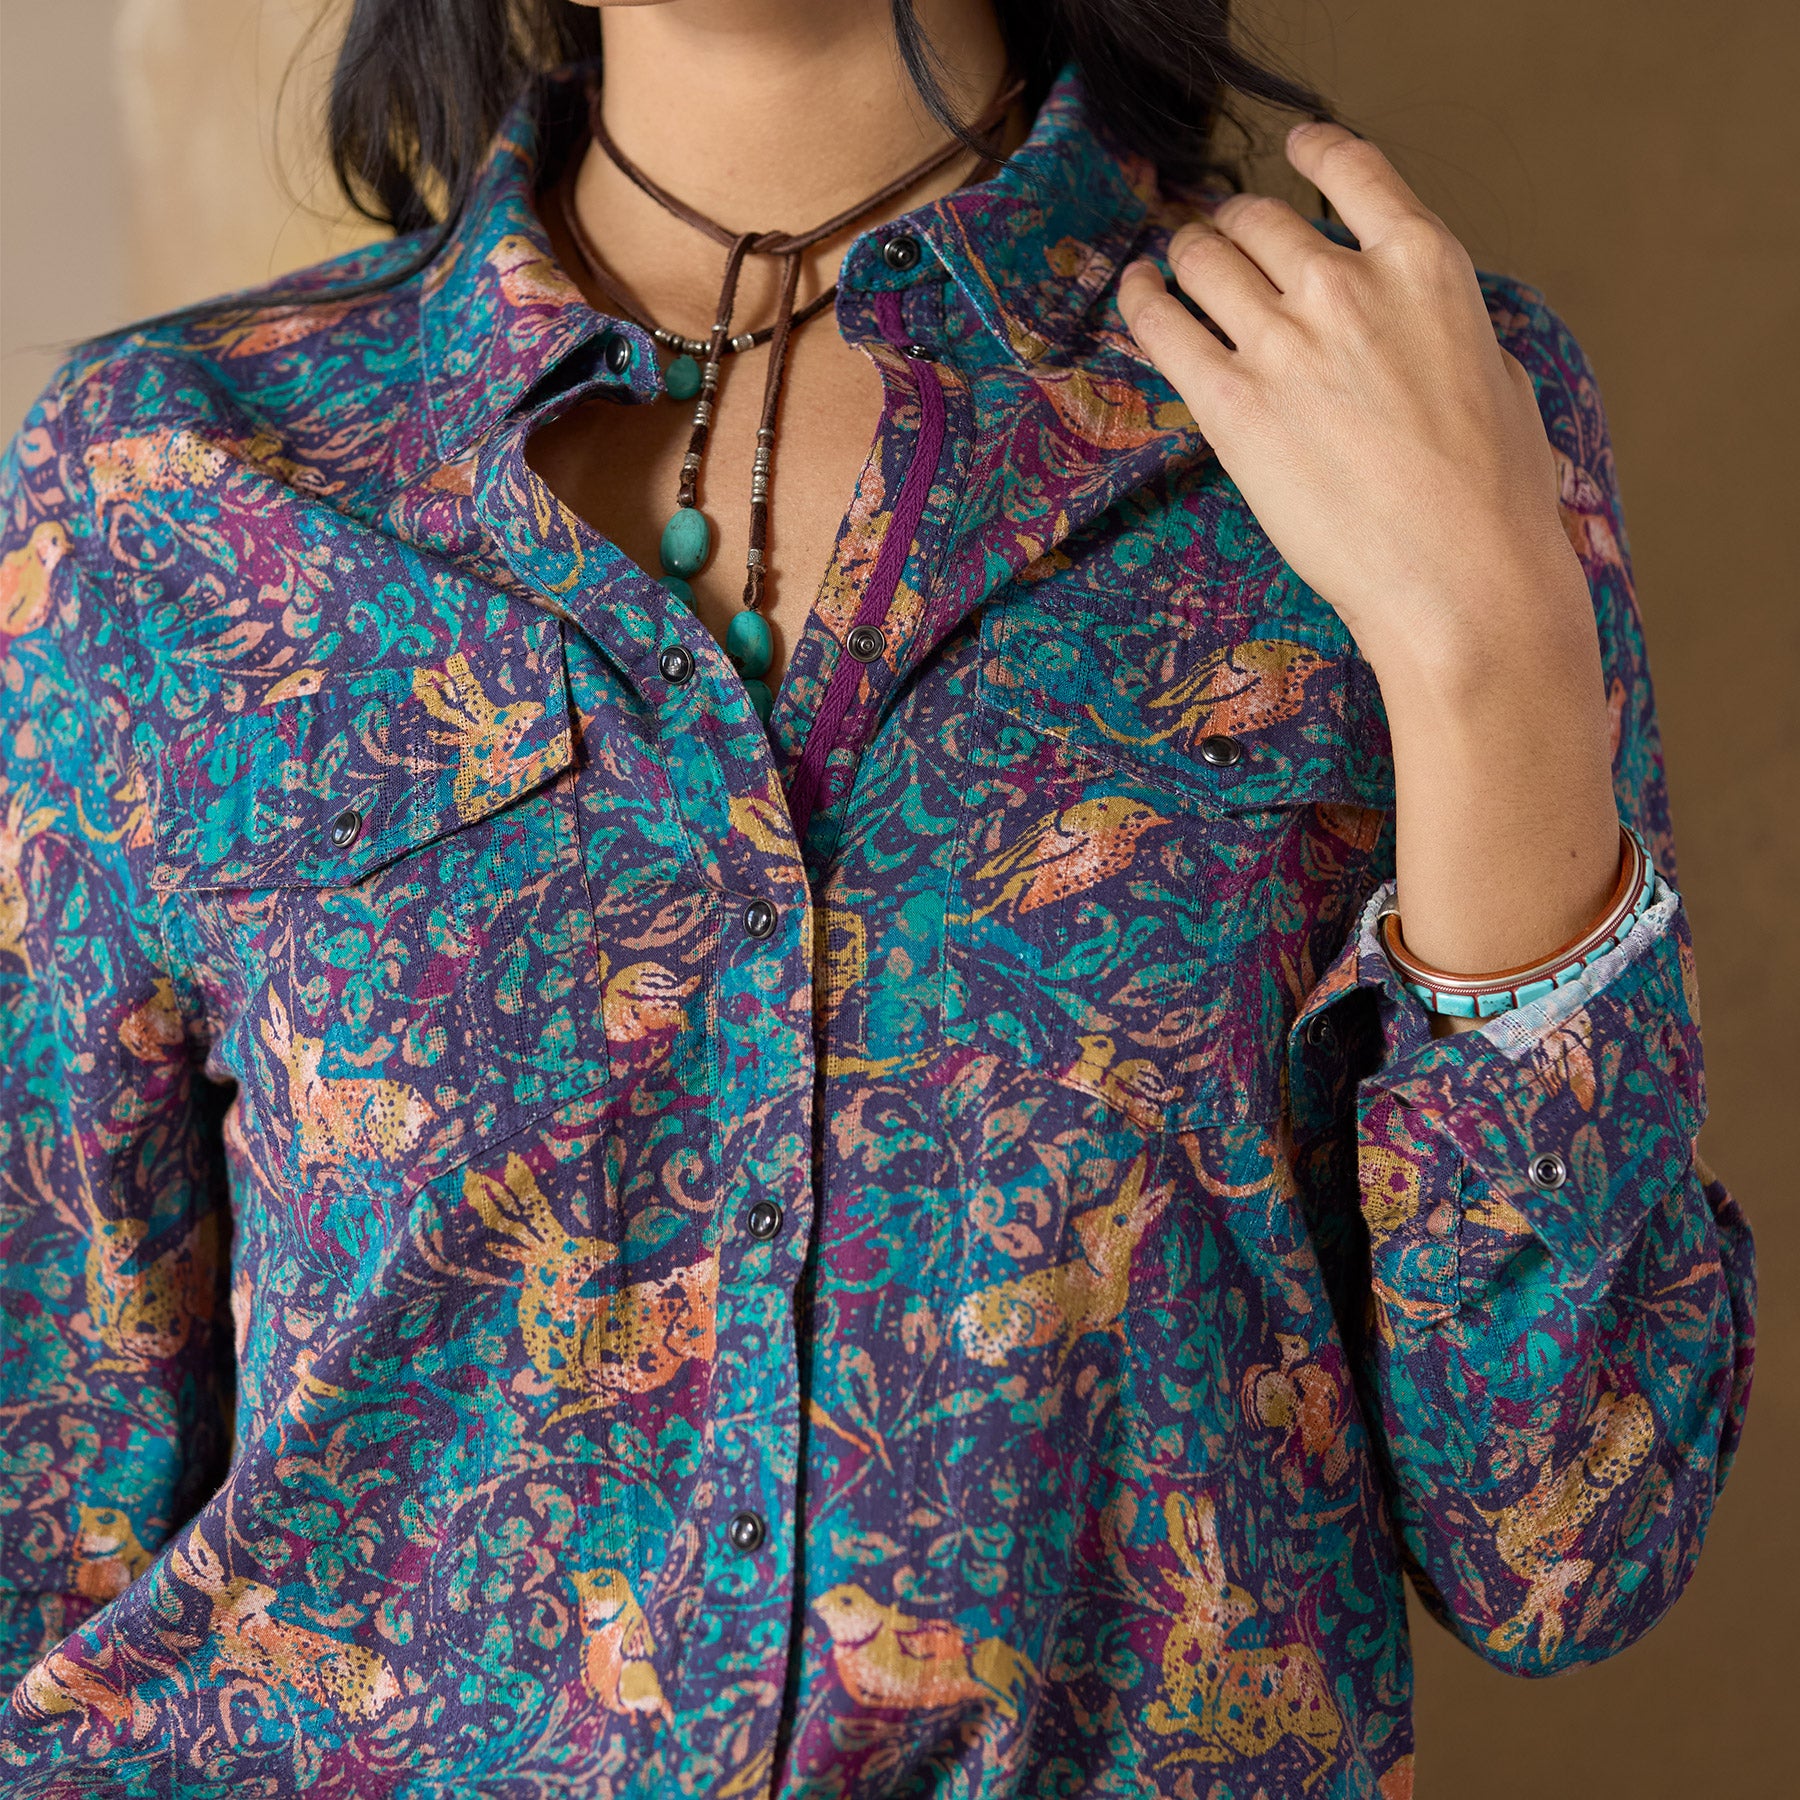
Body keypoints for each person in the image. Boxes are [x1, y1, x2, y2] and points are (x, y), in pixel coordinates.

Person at [0, 0, 1755, 1793]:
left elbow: (1567, 1545)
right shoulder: (161, 490)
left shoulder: (1404, 408)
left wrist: (1489, 653)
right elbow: (42, 1483)